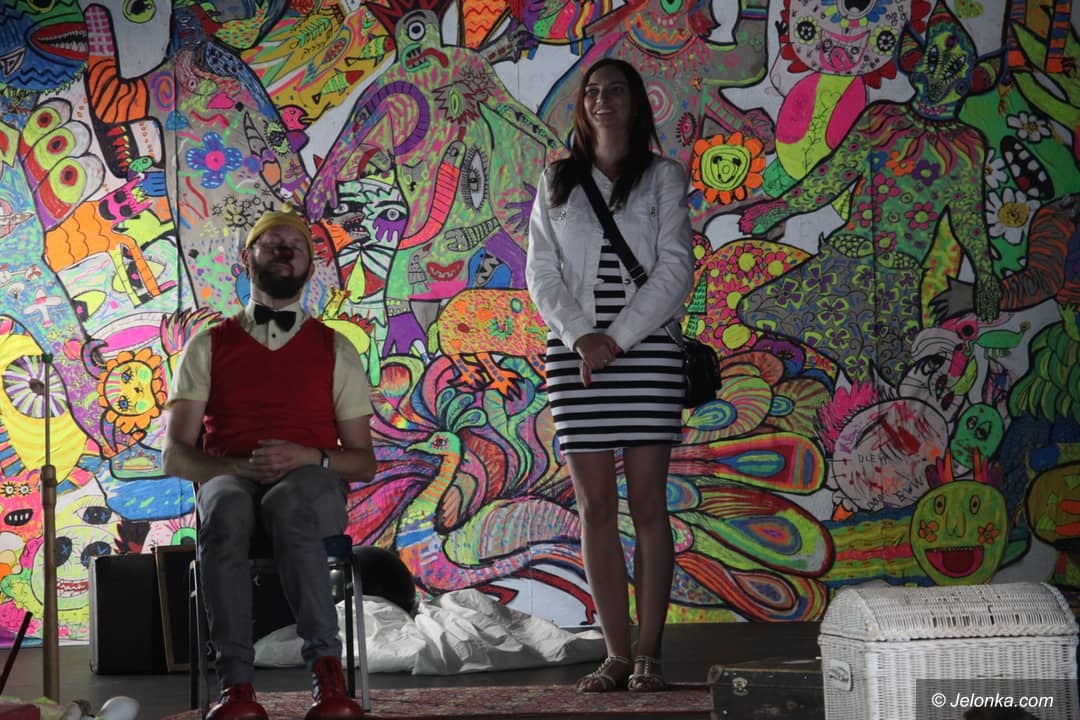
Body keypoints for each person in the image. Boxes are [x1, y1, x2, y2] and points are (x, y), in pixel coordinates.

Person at [164, 207, 376, 720]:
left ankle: (328, 677)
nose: (285, 250)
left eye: (296, 246)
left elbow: (363, 462)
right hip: (229, 477)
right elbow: (175, 454)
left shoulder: (336, 348)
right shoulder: (208, 344)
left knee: (292, 504)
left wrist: (310, 457)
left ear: (309, 266)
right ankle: (236, 686)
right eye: (272, 242)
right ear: (247, 257)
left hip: (310, 484)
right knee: (225, 506)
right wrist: (239, 468)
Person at [525, 58, 694, 693]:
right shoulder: (556, 180)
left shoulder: (663, 177)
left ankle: (650, 654)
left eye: (615, 91)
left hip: (645, 354)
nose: (602, 100)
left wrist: (615, 339)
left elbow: (676, 269)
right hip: (576, 358)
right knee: (595, 507)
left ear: (635, 102)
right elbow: (540, 273)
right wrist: (582, 337)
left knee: (648, 505)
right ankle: (616, 655)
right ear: (582, 105)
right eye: (592, 92)